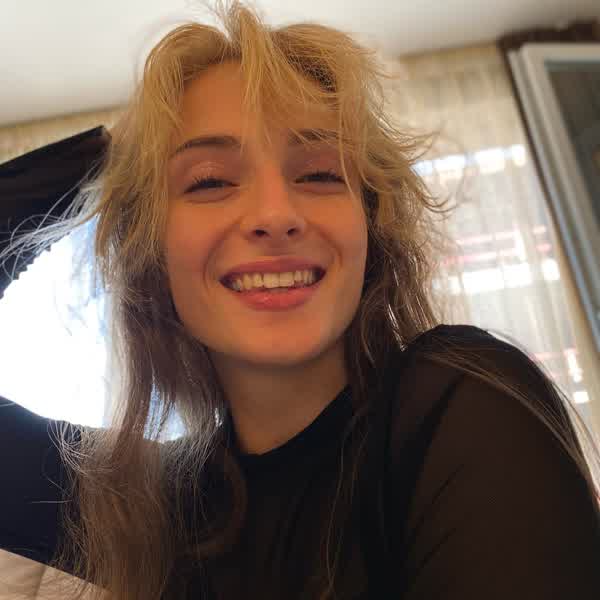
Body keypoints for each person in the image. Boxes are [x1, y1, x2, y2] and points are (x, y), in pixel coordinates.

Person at [1, 2, 600, 599]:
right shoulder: (154, 507)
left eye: (319, 175)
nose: (276, 214)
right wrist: (116, 154)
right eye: (209, 180)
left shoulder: (457, 404)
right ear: (150, 252)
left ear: (371, 230)